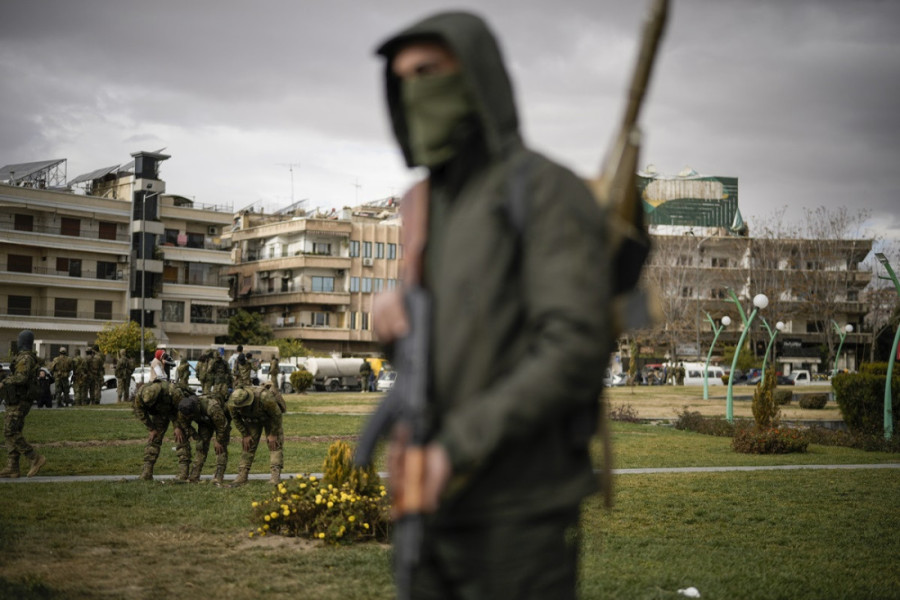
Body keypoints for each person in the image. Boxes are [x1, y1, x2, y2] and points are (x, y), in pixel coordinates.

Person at [372, 12, 611, 598]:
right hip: (429, 510)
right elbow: (458, 348)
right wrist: (395, 324)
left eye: (429, 71)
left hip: (518, 517)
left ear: (475, 76)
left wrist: (458, 447)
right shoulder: (426, 206)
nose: (415, 92)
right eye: (403, 80)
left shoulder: (544, 190)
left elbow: (575, 345)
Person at [0, 330, 48, 478]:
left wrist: (4, 382)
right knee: (12, 432)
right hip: (16, 399)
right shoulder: (25, 357)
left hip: (20, 400)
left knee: (10, 431)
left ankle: (34, 457)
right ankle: (12, 467)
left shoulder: (25, 358)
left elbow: (21, 378)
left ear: (23, 342)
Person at [132, 380, 190, 481]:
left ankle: (183, 473)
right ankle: (147, 473)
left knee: (181, 438)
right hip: (159, 413)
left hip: (176, 411)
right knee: (154, 439)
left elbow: (182, 409)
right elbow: (139, 411)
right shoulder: (141, 395)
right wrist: (151, 428)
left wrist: (178, 426)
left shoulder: (173, 391)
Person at [227, 385, 284, 486]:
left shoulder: (264, 397)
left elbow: (277, 415)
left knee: (274, 445)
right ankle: (242, 476)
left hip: (270, 419)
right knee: (248, 445)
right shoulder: (233, 402)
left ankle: (275, 476)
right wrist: (245, 434)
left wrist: (273, 434)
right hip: (252, 421)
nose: (240, 409)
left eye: (243, 407)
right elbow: (236, 419)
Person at [174, 393, 230, 484]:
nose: (188, 418)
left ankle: (218, 476)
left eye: (190, 416)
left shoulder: (212, 407)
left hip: (222, 421)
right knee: (201, 446)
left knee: (220, 447)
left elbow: (222, 426)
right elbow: (183, 423)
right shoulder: (183, 410)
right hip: (204, 422)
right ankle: (194, 476)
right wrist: (194, 434)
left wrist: (218, 440)